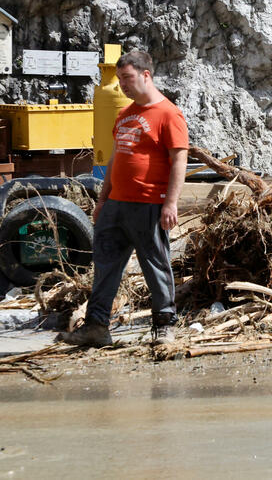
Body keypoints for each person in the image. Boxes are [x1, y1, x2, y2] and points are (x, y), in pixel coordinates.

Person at [58, 50, 188, 347]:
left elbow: (179, 161)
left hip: (149, 203)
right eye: (119, 80)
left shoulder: (169, 114)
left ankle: (165, 326)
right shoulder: (125, 113)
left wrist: (170, 203)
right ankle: (96, 327)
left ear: (146, 75)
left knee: (155, 265)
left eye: (127, 78)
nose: (123, 85)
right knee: (105, 266)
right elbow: (116, 159)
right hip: (116, 205)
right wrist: (103, 201)